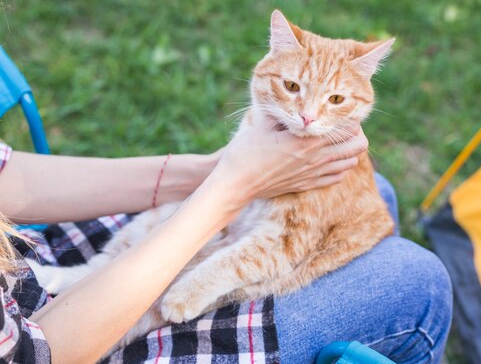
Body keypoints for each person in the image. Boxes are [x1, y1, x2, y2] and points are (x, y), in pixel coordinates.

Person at [0, 121, 452, 364]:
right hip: (60, 341)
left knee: (370, 199)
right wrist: (228, 188)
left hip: (19, 268)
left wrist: (211, 171)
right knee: (420, 282)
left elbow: (6, 174)